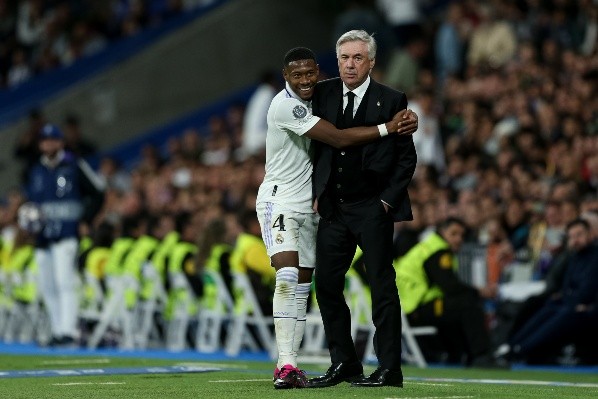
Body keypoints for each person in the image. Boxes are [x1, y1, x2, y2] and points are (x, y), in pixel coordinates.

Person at [256, 46, 418, 389]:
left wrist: (408, 116)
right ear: (285, 77)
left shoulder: (323, 93)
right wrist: (389, 127)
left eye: (310, 74)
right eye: (296, 75)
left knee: (305, 285)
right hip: (279, 200)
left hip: (315, 207)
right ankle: (285, 364)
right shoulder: (285, 104)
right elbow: (339, 138)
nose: (304, 81)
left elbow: (354, 89)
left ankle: (307, 365)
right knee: (286, 274)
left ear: (318, 72)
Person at [307, 30, 417, 389]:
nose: (350, 64)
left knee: (382, 287)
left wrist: (386, 201)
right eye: (344, 58)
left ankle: (389, 369)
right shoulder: (321, 93)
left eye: (357, 58)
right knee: (325, 284)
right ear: (336, 61)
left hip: (372, 207)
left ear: (371, 62)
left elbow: (405, 159)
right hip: (335, 209)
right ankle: (345, 363)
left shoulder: (392, 98)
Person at [23, 123, 104, 346]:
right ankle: (58, 330)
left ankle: (68, 331)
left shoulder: (74, 164)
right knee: (47, 284)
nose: (48, 144)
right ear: (40, 144)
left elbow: (98, 193)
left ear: (61, 142)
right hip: (42, 236)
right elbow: (33, 204)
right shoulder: (36, 170)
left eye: (53, 139)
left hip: (67, 233)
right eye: (44, 140)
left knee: (64, 281)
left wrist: (86, 219)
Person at [395, 217, 497, 367]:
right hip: (416, 309)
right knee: (467, 302)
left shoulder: (427, 246)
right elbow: (450, 287)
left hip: (408, 308)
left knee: (458, 304)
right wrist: (479, 291)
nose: (458, 239)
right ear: (442, 232)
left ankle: (459, 354)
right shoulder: (438, 251)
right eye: (453, 234)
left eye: (461, 235)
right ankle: (481, 356)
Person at [498, 218, 598, 364]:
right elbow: (566, 285)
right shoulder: (573, 257)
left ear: (590, 233)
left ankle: (522, 349)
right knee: (547, 307)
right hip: (570, 303)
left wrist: (575, 301)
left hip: (586, 309)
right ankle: (512, 345)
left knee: (563, 313)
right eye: (572, 236)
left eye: (579, 235)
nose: (575, 240)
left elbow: (587, 290)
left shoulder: (595, 257)